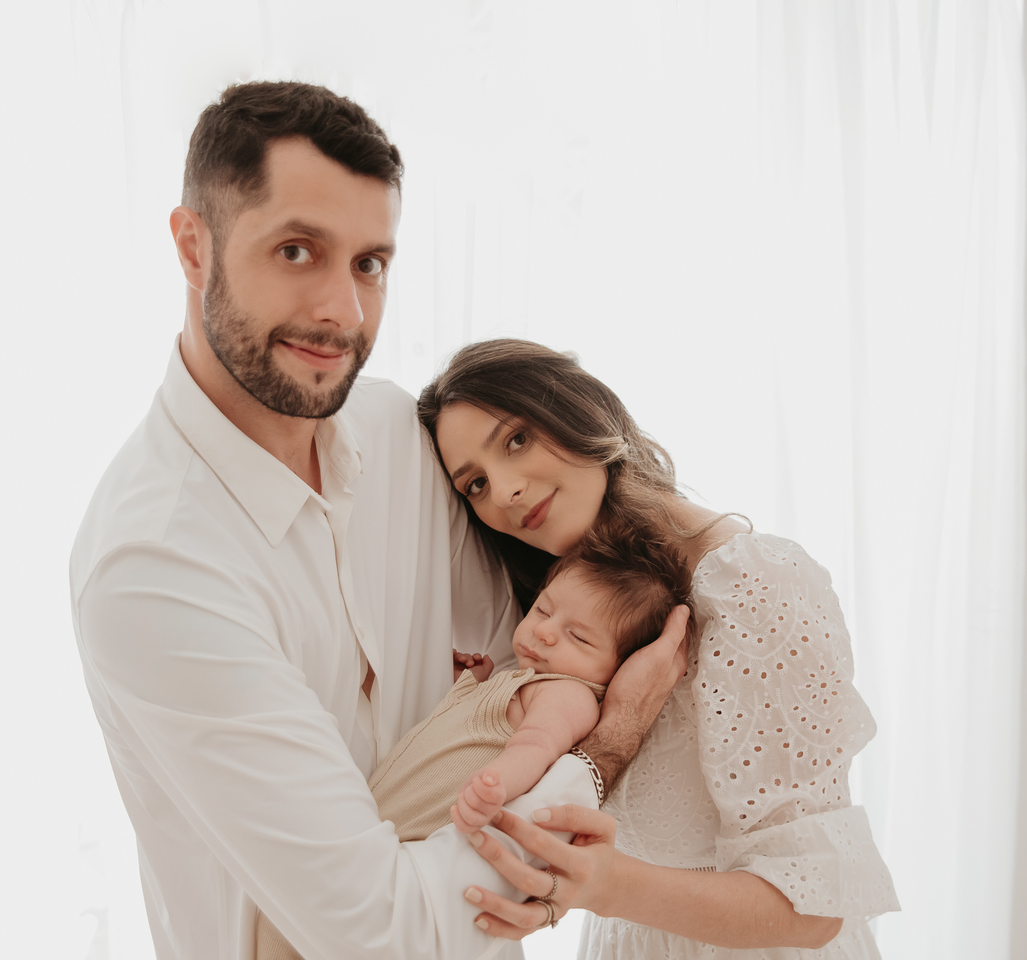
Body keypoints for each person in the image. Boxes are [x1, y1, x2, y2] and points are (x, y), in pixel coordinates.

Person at [70, 82, 687, 960]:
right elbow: (385, 935)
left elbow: (545, 640)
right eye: (296, 250)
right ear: (193, 245)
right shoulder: (155, 569)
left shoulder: (402, 436)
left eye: (370, 263)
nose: (344, 313)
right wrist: (601, 749)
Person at [416, 339, 901, 958]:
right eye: (475, 484)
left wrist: (605, 884)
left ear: (581, 412)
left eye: (516, 440)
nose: (505, 490)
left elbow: (816, 906)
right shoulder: (553, 612)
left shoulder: (755, 583)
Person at [258, 530, 691, 960]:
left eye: (578, 637)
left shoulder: (568, 694)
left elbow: (535, 746)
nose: (544, 632)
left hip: (414, 844)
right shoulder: (520, 681)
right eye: (543, 609)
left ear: (620, 668)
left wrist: (496, 785)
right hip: (380, 834)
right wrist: (471, 685)